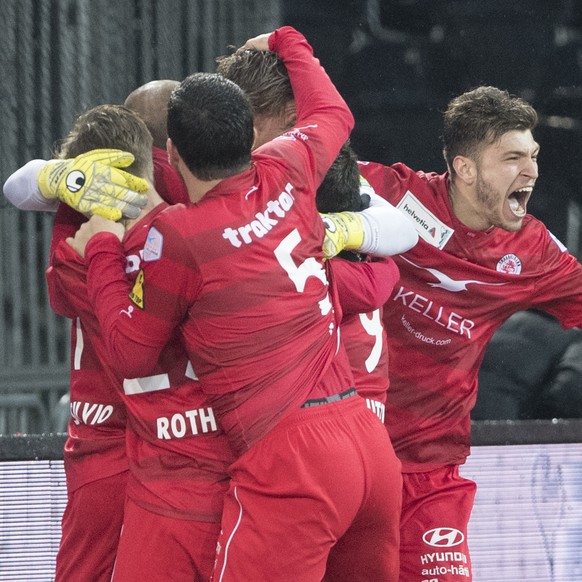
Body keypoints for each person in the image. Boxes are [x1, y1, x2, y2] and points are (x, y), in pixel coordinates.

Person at [67, 26, 403, 581]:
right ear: (252, 136)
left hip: (293, 461)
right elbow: (334, 111)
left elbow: (129, 353)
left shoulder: (181, 235)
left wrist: (102, 246)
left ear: (172, 153)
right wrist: (287, 41)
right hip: (366, 445)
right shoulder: (291, 170)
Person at [357, 85, 582, 581]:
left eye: (534, 156)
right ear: (465, 168)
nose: (532, 170)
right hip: (349, 456)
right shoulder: (391, 194)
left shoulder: (532, 250)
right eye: (512, 157)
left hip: (431, 469)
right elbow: (280, 183)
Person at [473, 309, 582, 420]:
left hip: (462, 423)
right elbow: (570, 392)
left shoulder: (492, 322)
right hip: (507, 431)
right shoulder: (573, 338)